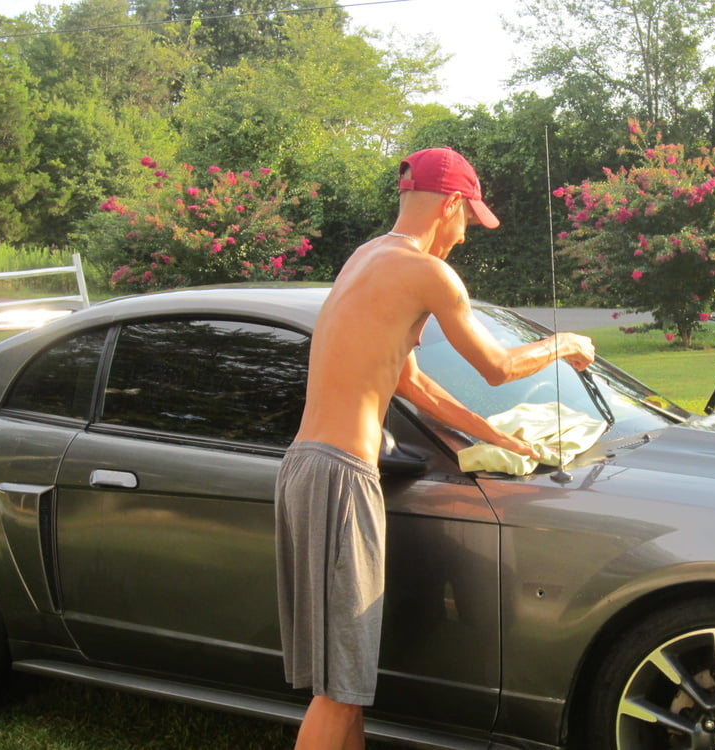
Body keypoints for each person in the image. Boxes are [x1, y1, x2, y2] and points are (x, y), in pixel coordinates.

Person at [275, 146, 595, 750]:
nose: (467, 235)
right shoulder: (429, 272)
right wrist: (564, 344)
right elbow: (498, 366)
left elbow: (409, 381)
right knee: (339, 691)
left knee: (347, 676)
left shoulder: (364, 258)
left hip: (305, 469)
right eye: (469, 219)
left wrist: (494, 435)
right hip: (341, 478)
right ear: (450, 204)